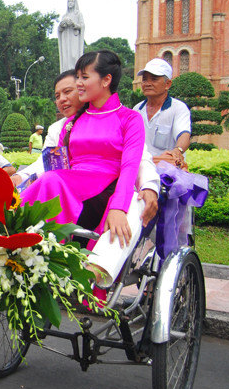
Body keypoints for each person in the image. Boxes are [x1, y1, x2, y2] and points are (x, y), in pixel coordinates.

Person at [20, 50, 146, 249]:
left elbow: (130, 166)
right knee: (48, 181)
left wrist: (119, 207)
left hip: (104, 191)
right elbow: (58, 165)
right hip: (68, 186)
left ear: (106, 80)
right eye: (78, 77)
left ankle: (39, 243)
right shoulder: (71, 123)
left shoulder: (130, 119)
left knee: (52, 180)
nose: (78, 82)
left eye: (84, 77)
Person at [12, 71, 159, 225]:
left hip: (102, 197)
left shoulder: (115, 120)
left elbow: (139, 158)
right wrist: (20, 177)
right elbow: (48, 164)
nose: (62, 99)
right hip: (66, 196)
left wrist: (149, 186)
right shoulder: (58, 128)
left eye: (68, 92)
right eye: (57, 96)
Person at [134, 58, 191, 161]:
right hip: (141, 169)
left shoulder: (178, 108)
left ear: (167, 84)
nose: (147, 83)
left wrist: (178, 150)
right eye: (145, 79)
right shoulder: (137, 110)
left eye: (154, 79)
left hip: (167, 170)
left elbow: (184, 134)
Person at [58, 0, 85, 73]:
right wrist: (62, 26)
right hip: (65, 39)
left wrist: (73, 24)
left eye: (72, 1)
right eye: (69, 1)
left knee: (74, 56)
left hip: (74, 38)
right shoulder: (64, 16)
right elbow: (59, 30)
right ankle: (66, 71)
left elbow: (82, 26)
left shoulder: (78, 14)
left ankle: (74, 71)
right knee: (66, 57)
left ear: (75, 3)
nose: (70, 3)